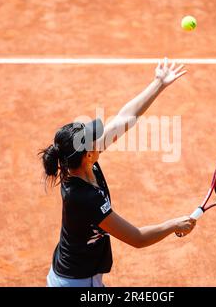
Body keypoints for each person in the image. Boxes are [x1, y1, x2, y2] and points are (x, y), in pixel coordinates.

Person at [40, 58, 196, 287]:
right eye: (94, 140)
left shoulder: (76, 165)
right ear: (88, 155)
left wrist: (158, 83)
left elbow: (124, 119)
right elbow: (137, 238)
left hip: (71, 274)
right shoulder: (85, 198)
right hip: (78, 283)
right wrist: (174, 224)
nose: (99, 139)